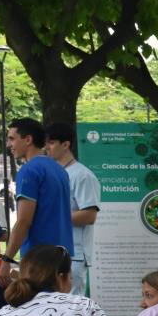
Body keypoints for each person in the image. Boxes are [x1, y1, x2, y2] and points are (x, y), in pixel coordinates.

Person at [0, 118, 74, 287]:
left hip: (39, 260)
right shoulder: (60, 170)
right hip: (63, 257)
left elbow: (24, 221)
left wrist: (6, 260)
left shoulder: (29, 170)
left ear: (28, 139)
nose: (9, 145)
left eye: (11, 138)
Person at [45, 122, 100, 297]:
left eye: (51, 142)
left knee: (71, 308)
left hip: (74, 255)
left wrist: (51, 218)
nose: (47, 148)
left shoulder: (82, 175)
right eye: (46, 143)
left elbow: (89, 215)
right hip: (53, 253)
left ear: (66, 144)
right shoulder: (53, 173)